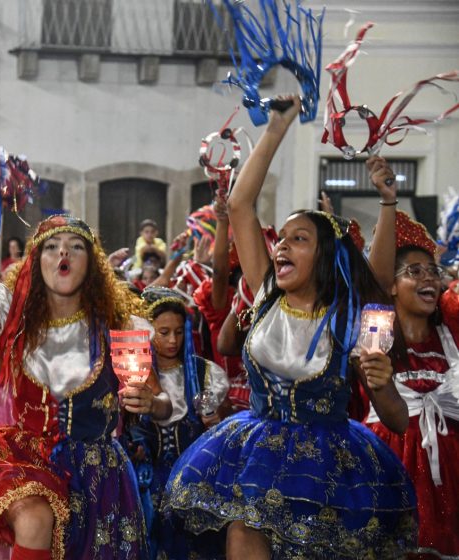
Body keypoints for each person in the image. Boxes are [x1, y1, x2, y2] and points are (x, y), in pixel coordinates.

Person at [163, 97, 417, 559]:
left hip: (330, 471)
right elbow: (240, 204)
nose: (281, 245)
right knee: (243, 532)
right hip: (254, 454)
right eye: (280, 239)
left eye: (298, 239)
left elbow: (398, 420)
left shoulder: (348, 317)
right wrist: (277, 127)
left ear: (325, 257)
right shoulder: (265, 296)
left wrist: (387, 201)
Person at [0, 214, 167, 559]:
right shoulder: (14, 318)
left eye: (76, 247)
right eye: (52, 246)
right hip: (26, 460)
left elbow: (164, 403)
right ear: (36, 261)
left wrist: (153, 402)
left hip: (98, 473)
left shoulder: (119, 326)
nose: (64, 254)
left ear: (91, 265)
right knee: (34, 520)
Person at [363, 156, 459, 557]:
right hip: (389, 474)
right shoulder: (377, 334)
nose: (427, 279)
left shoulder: (452, 327)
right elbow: (376, 279)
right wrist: (389, 202)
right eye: (413, 272)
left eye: (432, 271)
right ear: (393, 287)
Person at [124, 286, 228, 559]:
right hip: (146, 487)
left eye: (179, 332)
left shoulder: (204, 374)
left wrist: (216, 420)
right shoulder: (133, 374)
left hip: (194, 483)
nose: (173, 340)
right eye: (164, 332)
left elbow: (221, 426)